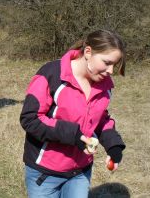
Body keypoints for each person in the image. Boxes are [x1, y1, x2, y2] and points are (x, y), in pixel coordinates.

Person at [20, 29, 126, 198]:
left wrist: (114, 145)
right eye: (107, 62)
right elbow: (30, 119)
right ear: (88, 52)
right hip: (45, 173)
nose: (111, 70)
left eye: (115, 64)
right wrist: (73, 134)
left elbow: (101, 119)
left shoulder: (105, 86)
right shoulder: (52, 74)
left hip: (80, 172)